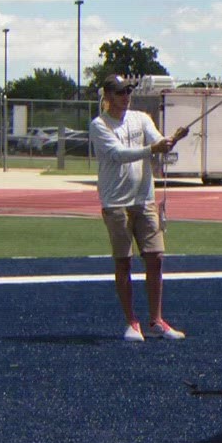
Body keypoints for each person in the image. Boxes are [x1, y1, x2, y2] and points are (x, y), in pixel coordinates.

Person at [89, 74, 191, 341]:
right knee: (124, 262)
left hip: (144, 199)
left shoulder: (142, 118)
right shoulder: (99, 125)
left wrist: (171, 140)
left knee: (155, 257)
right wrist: (152, 149)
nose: (126, 96)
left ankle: (156, 320)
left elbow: (157, 141)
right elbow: (117, 154)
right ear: (108, 96)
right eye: (121, 92)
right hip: (116, 203)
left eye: (128, 91)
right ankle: (132, 322)